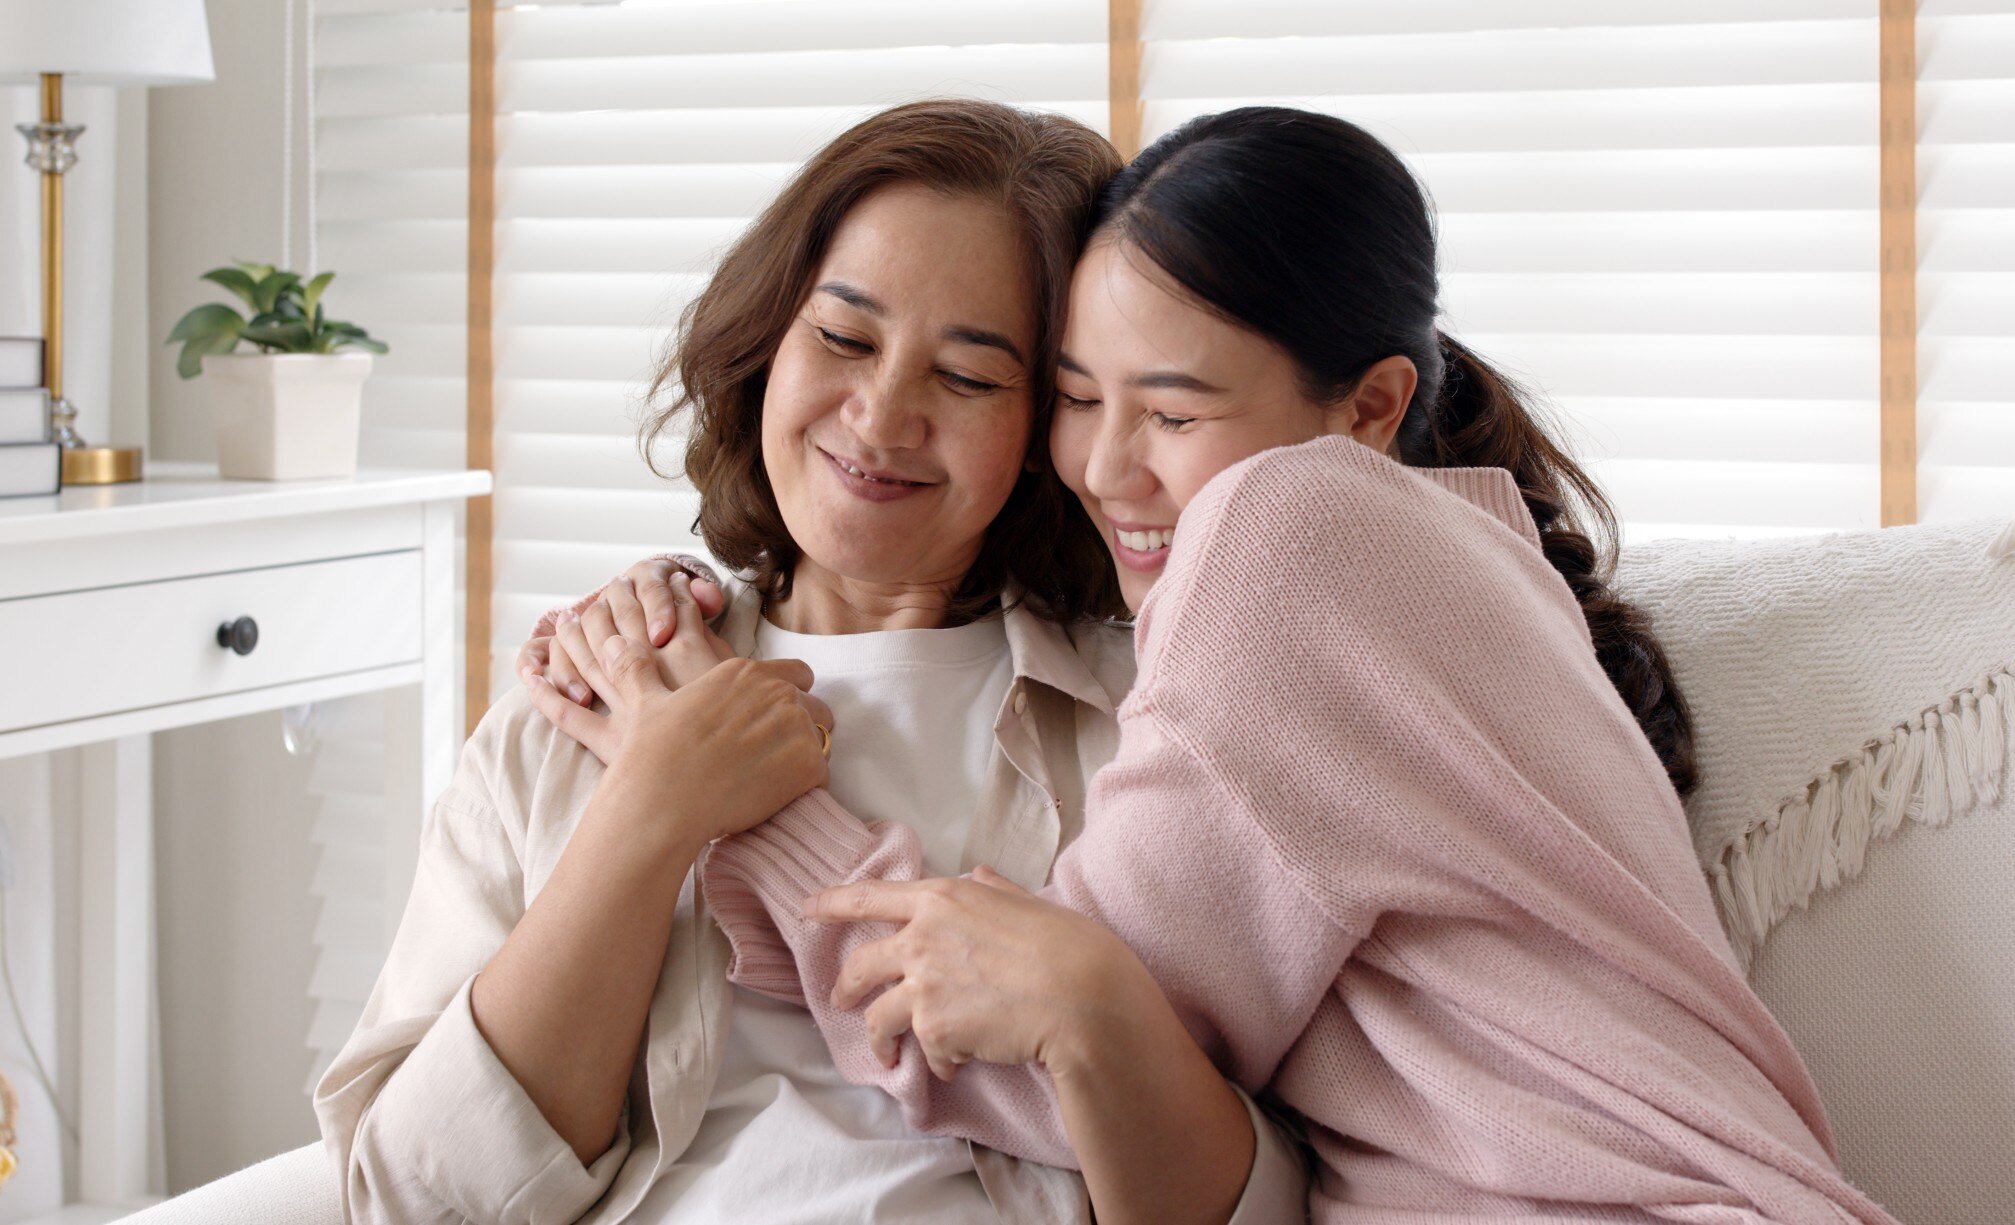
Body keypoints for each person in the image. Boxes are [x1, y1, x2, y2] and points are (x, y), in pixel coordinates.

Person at [532, 108, 1899, 1222]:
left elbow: (1037, 1046)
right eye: (1075, 397)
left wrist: (716, 784)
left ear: (1368, 408)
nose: (1105, 468)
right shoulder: (1456, 554)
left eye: (1171, 410)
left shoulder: (1286, 533)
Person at [314, 99, 1307, 1225]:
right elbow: (411, 1200)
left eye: (969, 378)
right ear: (766, 340)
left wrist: (1090, 1011)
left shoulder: (1158, 726)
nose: (880, 417)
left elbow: (1273, 1197)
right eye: (842, 339)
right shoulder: (587, 694)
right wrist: (650, 807)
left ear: (1049, 428)